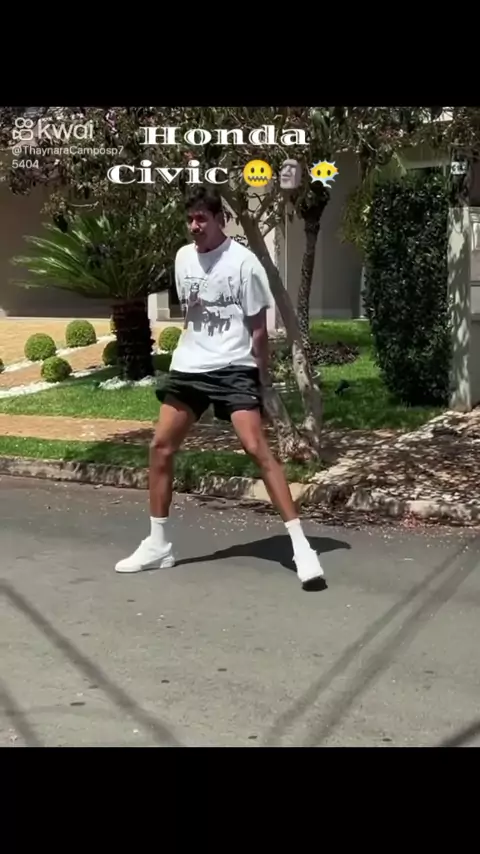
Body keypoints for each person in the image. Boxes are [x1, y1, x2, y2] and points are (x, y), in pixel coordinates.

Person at [115, 185, 324, 586]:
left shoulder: (244, 263)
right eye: (190, 219)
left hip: (234, 366)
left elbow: (258, 330)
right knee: (160, 447)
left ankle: (302, 547)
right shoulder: (183, 258)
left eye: (202, 219)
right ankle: (158, 545)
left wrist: (261, 380)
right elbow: (192, 314)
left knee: (256, 448)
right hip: (190, 366)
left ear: (219, 220)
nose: (195, 226)